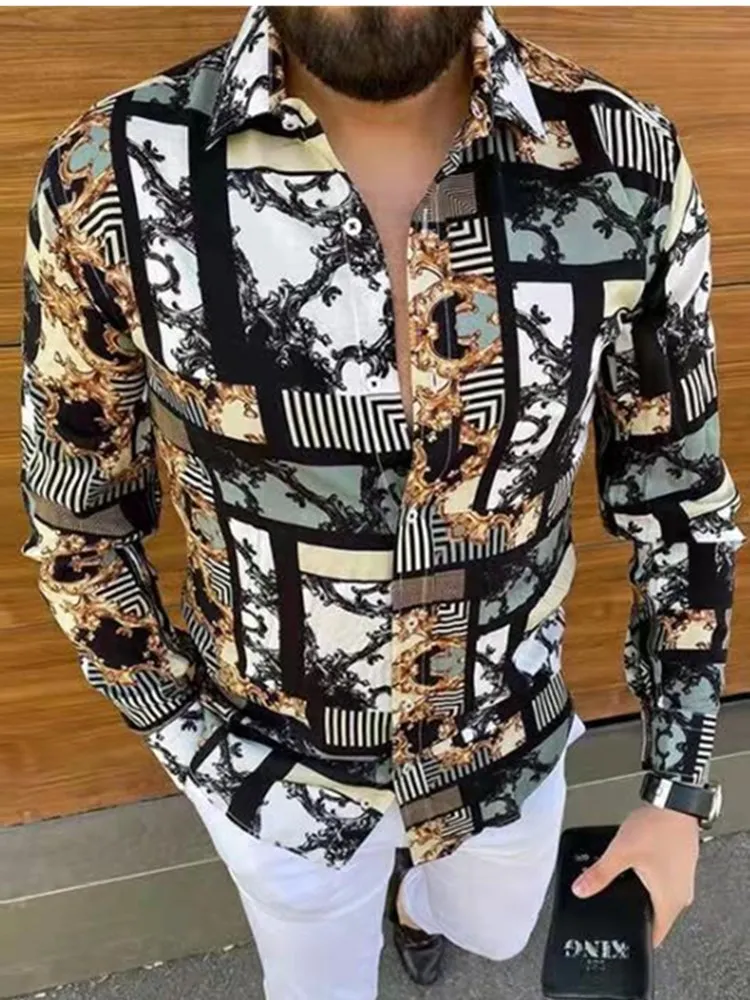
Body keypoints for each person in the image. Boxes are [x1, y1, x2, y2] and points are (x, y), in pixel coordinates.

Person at [19, 6, 743, 998]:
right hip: (270, 773)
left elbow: (680, 498)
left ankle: (417, 906)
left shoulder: (626, 165)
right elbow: (80, 522)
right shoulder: (112, 173)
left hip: (509, 749)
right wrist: (191, 736)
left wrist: (676, 787)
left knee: (493, 933)